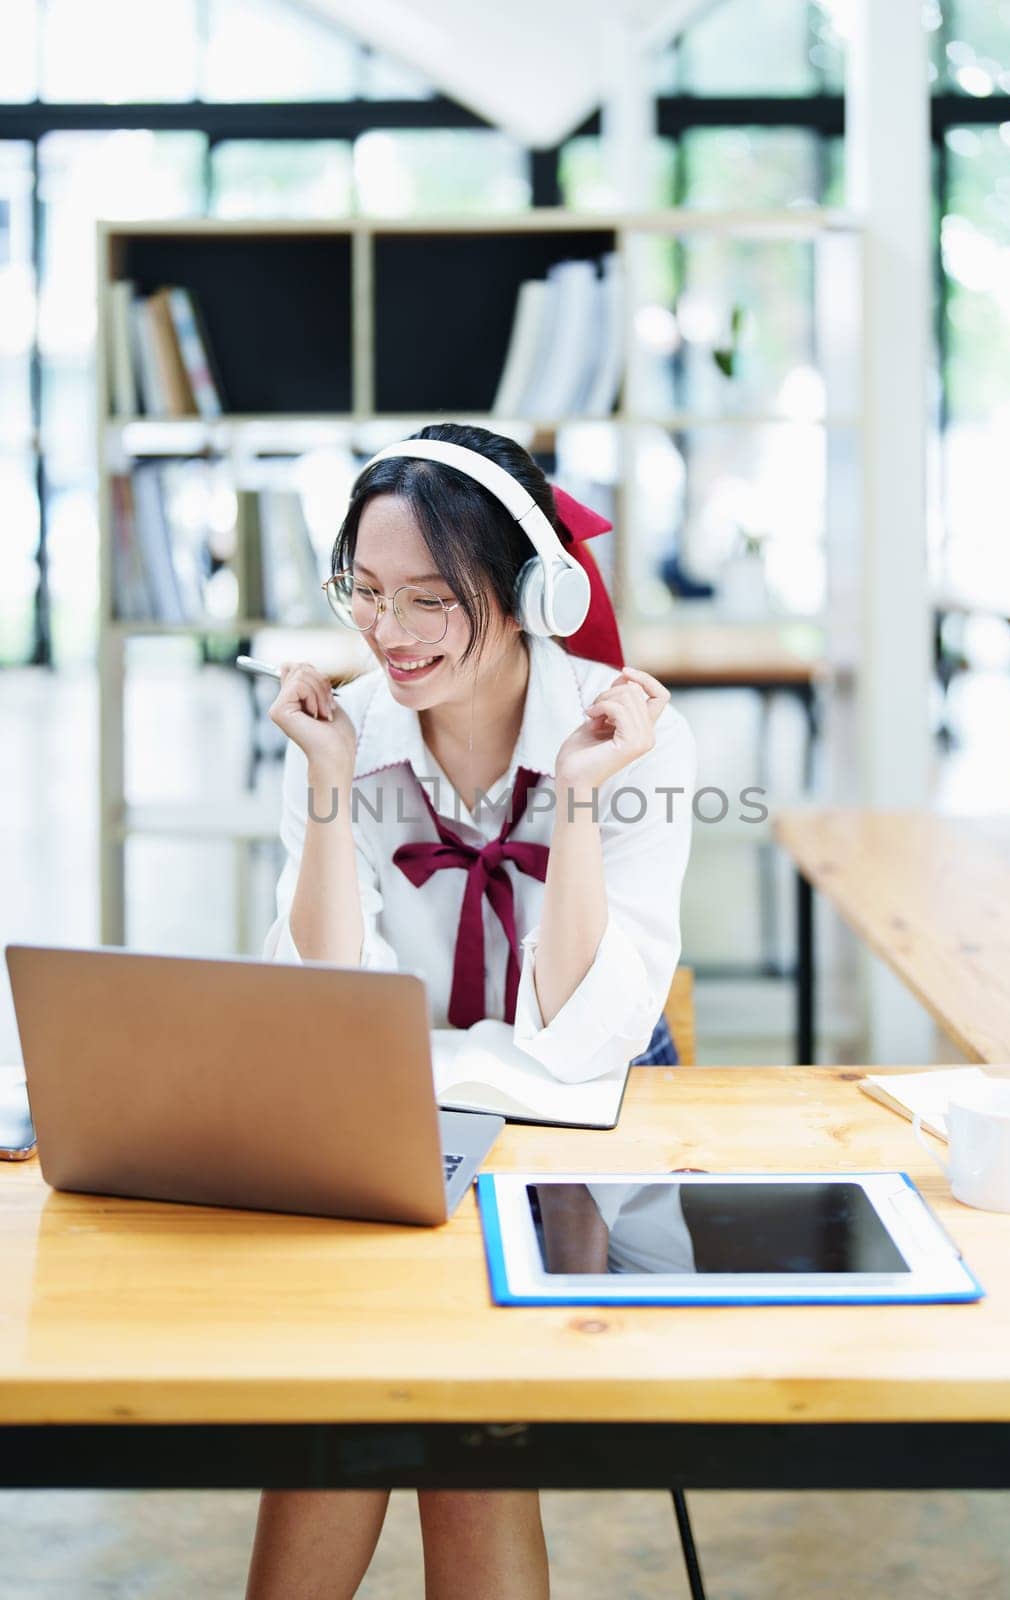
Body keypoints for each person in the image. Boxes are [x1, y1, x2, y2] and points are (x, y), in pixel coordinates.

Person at [244, 421, 697, 1600]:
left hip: (581, 1140)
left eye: (429, 601)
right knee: (348, 1398)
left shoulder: (635, 735)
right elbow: (317, 1018)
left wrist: (582, 799)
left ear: (531, 594)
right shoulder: (349, 727)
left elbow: (578, 1036)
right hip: (396, 1122)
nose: (385, 635)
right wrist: (332, 787)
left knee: (458, 1426)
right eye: (365, 591)